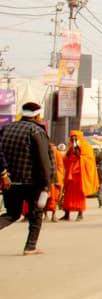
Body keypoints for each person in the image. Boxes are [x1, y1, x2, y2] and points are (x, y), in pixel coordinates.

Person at [0, 102, 56, 255]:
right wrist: (47, 184)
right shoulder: (36, 131)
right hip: (32, 182)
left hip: (9, 181)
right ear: (37, 115)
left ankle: (30, 246)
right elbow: (43, 160)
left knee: (11, 214)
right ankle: (30, 246)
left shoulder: (6, 129)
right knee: (36, 213)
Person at [59, 130, 98, 222]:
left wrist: (79, 155)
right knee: (68, 196)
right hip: (70, 176)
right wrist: (68, 154)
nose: (74, 139)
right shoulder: (69, 147)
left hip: (80, 176)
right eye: (72, 137)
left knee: (79, 196)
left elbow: (89, 160)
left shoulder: (86, 147)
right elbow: (65, 160)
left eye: (75, 137)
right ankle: (66, 214)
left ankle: (80, 213)